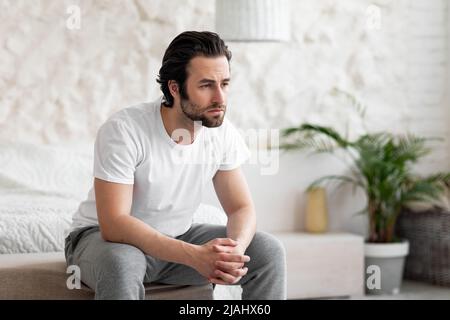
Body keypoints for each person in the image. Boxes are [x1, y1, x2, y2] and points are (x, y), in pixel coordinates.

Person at [64, 31, 286, 300]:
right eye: (206, 85)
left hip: (177, 238)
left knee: (268, 250)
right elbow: (115, 223)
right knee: (123, 264)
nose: (220, 98)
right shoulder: (125, 130)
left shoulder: (221, 132)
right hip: (104, 240)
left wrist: (234, 251)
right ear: (174, 88)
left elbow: (241, 207)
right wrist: (195, 256)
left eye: (224, 84)